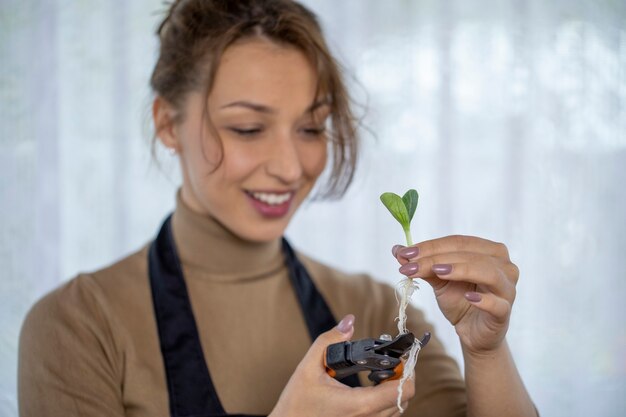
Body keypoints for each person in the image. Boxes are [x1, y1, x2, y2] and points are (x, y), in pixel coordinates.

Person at [18, 1, 538, 416]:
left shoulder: (375, 308)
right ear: (168, 124)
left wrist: (485, 355)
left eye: (312, 128)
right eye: (248, 128)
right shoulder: (79, 327)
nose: (290, 168)